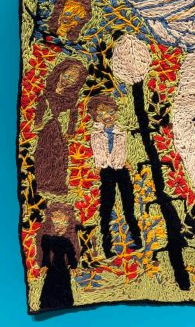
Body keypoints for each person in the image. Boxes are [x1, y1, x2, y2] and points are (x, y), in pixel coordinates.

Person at [87, 94, 142, 258]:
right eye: (101, 114)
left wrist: (125, 162)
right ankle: (107, 246)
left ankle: (137, 240)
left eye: (110, 112)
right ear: (96, 117)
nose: (107, 116)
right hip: (106, 170)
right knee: (106, 206)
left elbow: (122, 150)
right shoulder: (96, 134)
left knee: (128, 205)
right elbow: (97, 150)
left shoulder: (120, 132)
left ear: (115, 112)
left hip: (121, 169)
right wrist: (99, 165)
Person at [35, 59, 87, 195]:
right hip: (46, 129)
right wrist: (38, 122)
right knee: (43, 154)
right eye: (66, 76)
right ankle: (41, 182)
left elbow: (73, 114)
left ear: (77, 83)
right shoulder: (47, 91)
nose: (67, 80)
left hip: (58, 130)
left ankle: (56, 185)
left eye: (73, 80)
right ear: (60, 72)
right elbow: (40, 109)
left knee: (58, 156)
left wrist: (70, 130)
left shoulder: (70, 97)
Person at [37, 202, 80, 310]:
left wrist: (73, 266)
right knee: (50, 285)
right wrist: (44, 265)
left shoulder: (68, 240)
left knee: (64, 285)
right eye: (55, 220)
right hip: (52, 269)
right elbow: (45, 253)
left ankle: (64, 302)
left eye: (63, 222)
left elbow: (71, 254)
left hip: (63, 269)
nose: (59, 225)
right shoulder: (46, 238)